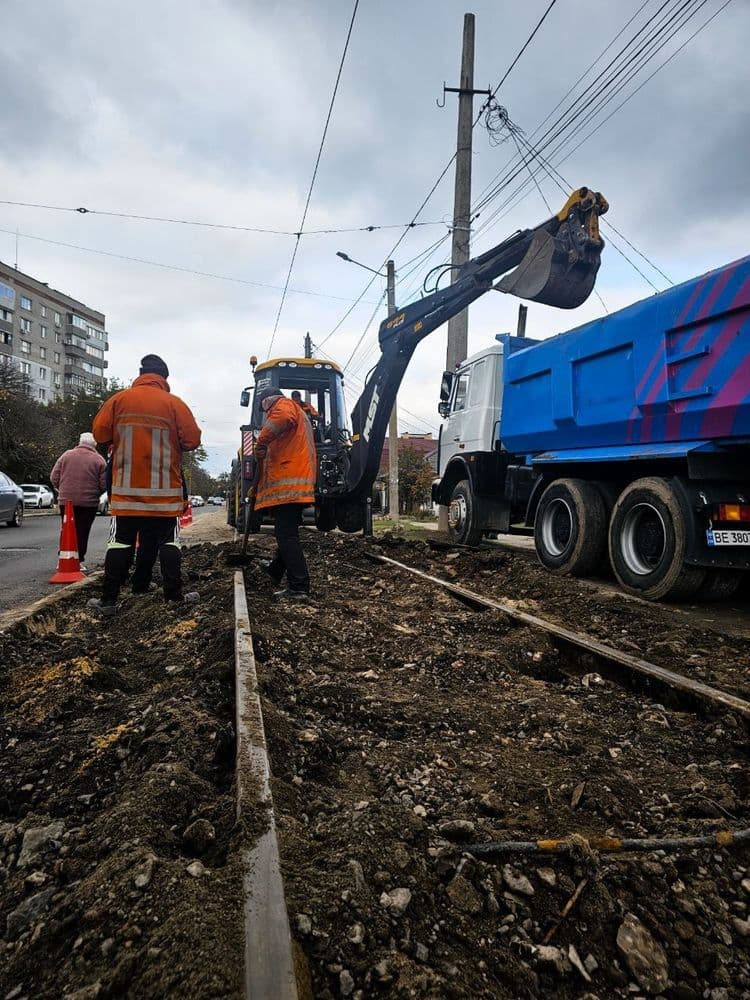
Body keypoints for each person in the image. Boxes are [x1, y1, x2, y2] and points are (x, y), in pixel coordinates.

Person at [87, 354, 202, 617]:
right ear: (164, 378)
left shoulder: (118, 400)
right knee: (168, 540)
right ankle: (174, 596)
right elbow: (192, 439)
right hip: (164, 493)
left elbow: (100, 434)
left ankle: (108, 601)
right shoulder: (174, 404)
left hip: (127, 493)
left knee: (120, 542)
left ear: (141, 373)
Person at [254, 386, 316, 601]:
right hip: (294, 483)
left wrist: (261, 440)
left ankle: (299, 586)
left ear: (265, 402)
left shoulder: (284, 406)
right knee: (286, 532)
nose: (265, 414)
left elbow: (281, 419)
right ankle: (274, 571)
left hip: (290, 485)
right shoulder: (297, 410)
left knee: (286, 535)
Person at [50, 432, 107, 572]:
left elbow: (54, 477)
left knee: (66, 529)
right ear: (95, 445)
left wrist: (62, 489)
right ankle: (78, 559)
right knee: (82, 531)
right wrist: (96, 493)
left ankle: (62, 557)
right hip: (88, 502)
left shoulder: (66, 455)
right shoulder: (99, 460)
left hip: (66, 501)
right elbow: (104, 484)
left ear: (80, 442)